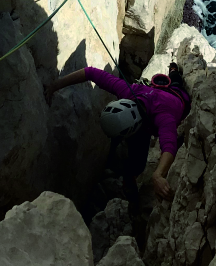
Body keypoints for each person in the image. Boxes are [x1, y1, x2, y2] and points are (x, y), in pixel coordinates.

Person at [45, 63, 190, 204]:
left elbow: (169, 147)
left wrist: (158, 175)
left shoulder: (165, 117)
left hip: (176, 95)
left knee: (176, 82)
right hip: (150, 99)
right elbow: (90, 72)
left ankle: (173, 70)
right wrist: (55, 86)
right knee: (136, 163)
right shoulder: (128, 91)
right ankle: (131, 184)